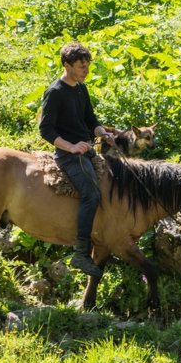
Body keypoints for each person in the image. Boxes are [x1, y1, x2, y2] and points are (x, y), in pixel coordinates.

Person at [38, 41, 117, 278]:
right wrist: (71, 147)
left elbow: (90, 119)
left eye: (87, 65)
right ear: (66, 65)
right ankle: (81, 253)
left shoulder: (81, 88)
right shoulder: (55, 93)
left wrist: (103, 133)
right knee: (91, 193)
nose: (86, 70)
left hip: (87, 150)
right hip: (68, 155)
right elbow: (46, 130)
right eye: (82, 66)